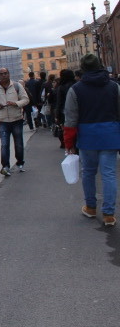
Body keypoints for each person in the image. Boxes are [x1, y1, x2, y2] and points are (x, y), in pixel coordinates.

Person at [64, 54, 120, 227]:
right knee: (109, 174)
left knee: (88, 172)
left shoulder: (76, 89)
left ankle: (90, 207)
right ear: (100, 65)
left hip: (87, 136)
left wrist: (69, 143)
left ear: (83, 68)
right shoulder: (114, 87)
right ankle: (109, 214)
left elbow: (71, 119)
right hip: (110, 134)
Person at [0, 68, 30, 177]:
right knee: (4, 144)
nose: (4, 75)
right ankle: (5, 166)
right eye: (1, 74)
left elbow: (26, 99)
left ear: (9, 74)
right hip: (3, 121)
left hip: (16, 119)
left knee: (19, 143)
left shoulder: (17, 86)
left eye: (5, 73)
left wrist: (16, 103)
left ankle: (20, 162)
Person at [55, 69, 76, 149]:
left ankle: (70, 147)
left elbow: (59, 102)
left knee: (68, 130)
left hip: (65, 112)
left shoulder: (61, 87)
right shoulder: (76, 85)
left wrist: (57, 115)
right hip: (77, 111)